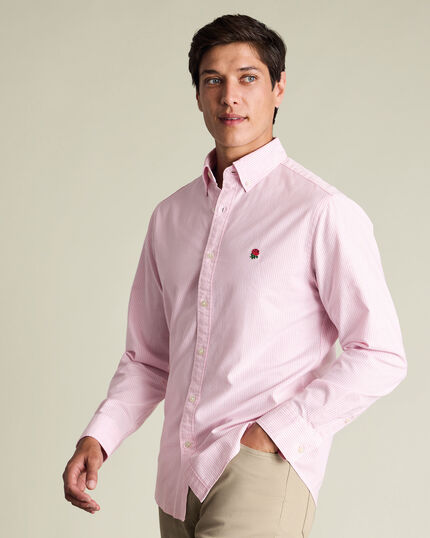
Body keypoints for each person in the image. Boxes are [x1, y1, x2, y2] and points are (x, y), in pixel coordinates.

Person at [62, 13, 408, 537]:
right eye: (213, 80)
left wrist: (274, 433)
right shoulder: (170, 218)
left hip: (261, 468)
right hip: (177, 477)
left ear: (279, 88)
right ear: (198, 95)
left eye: (248, 78)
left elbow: (380, 353)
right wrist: (100, 437)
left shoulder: (320, 211)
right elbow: (149, 358)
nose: (230, 97)